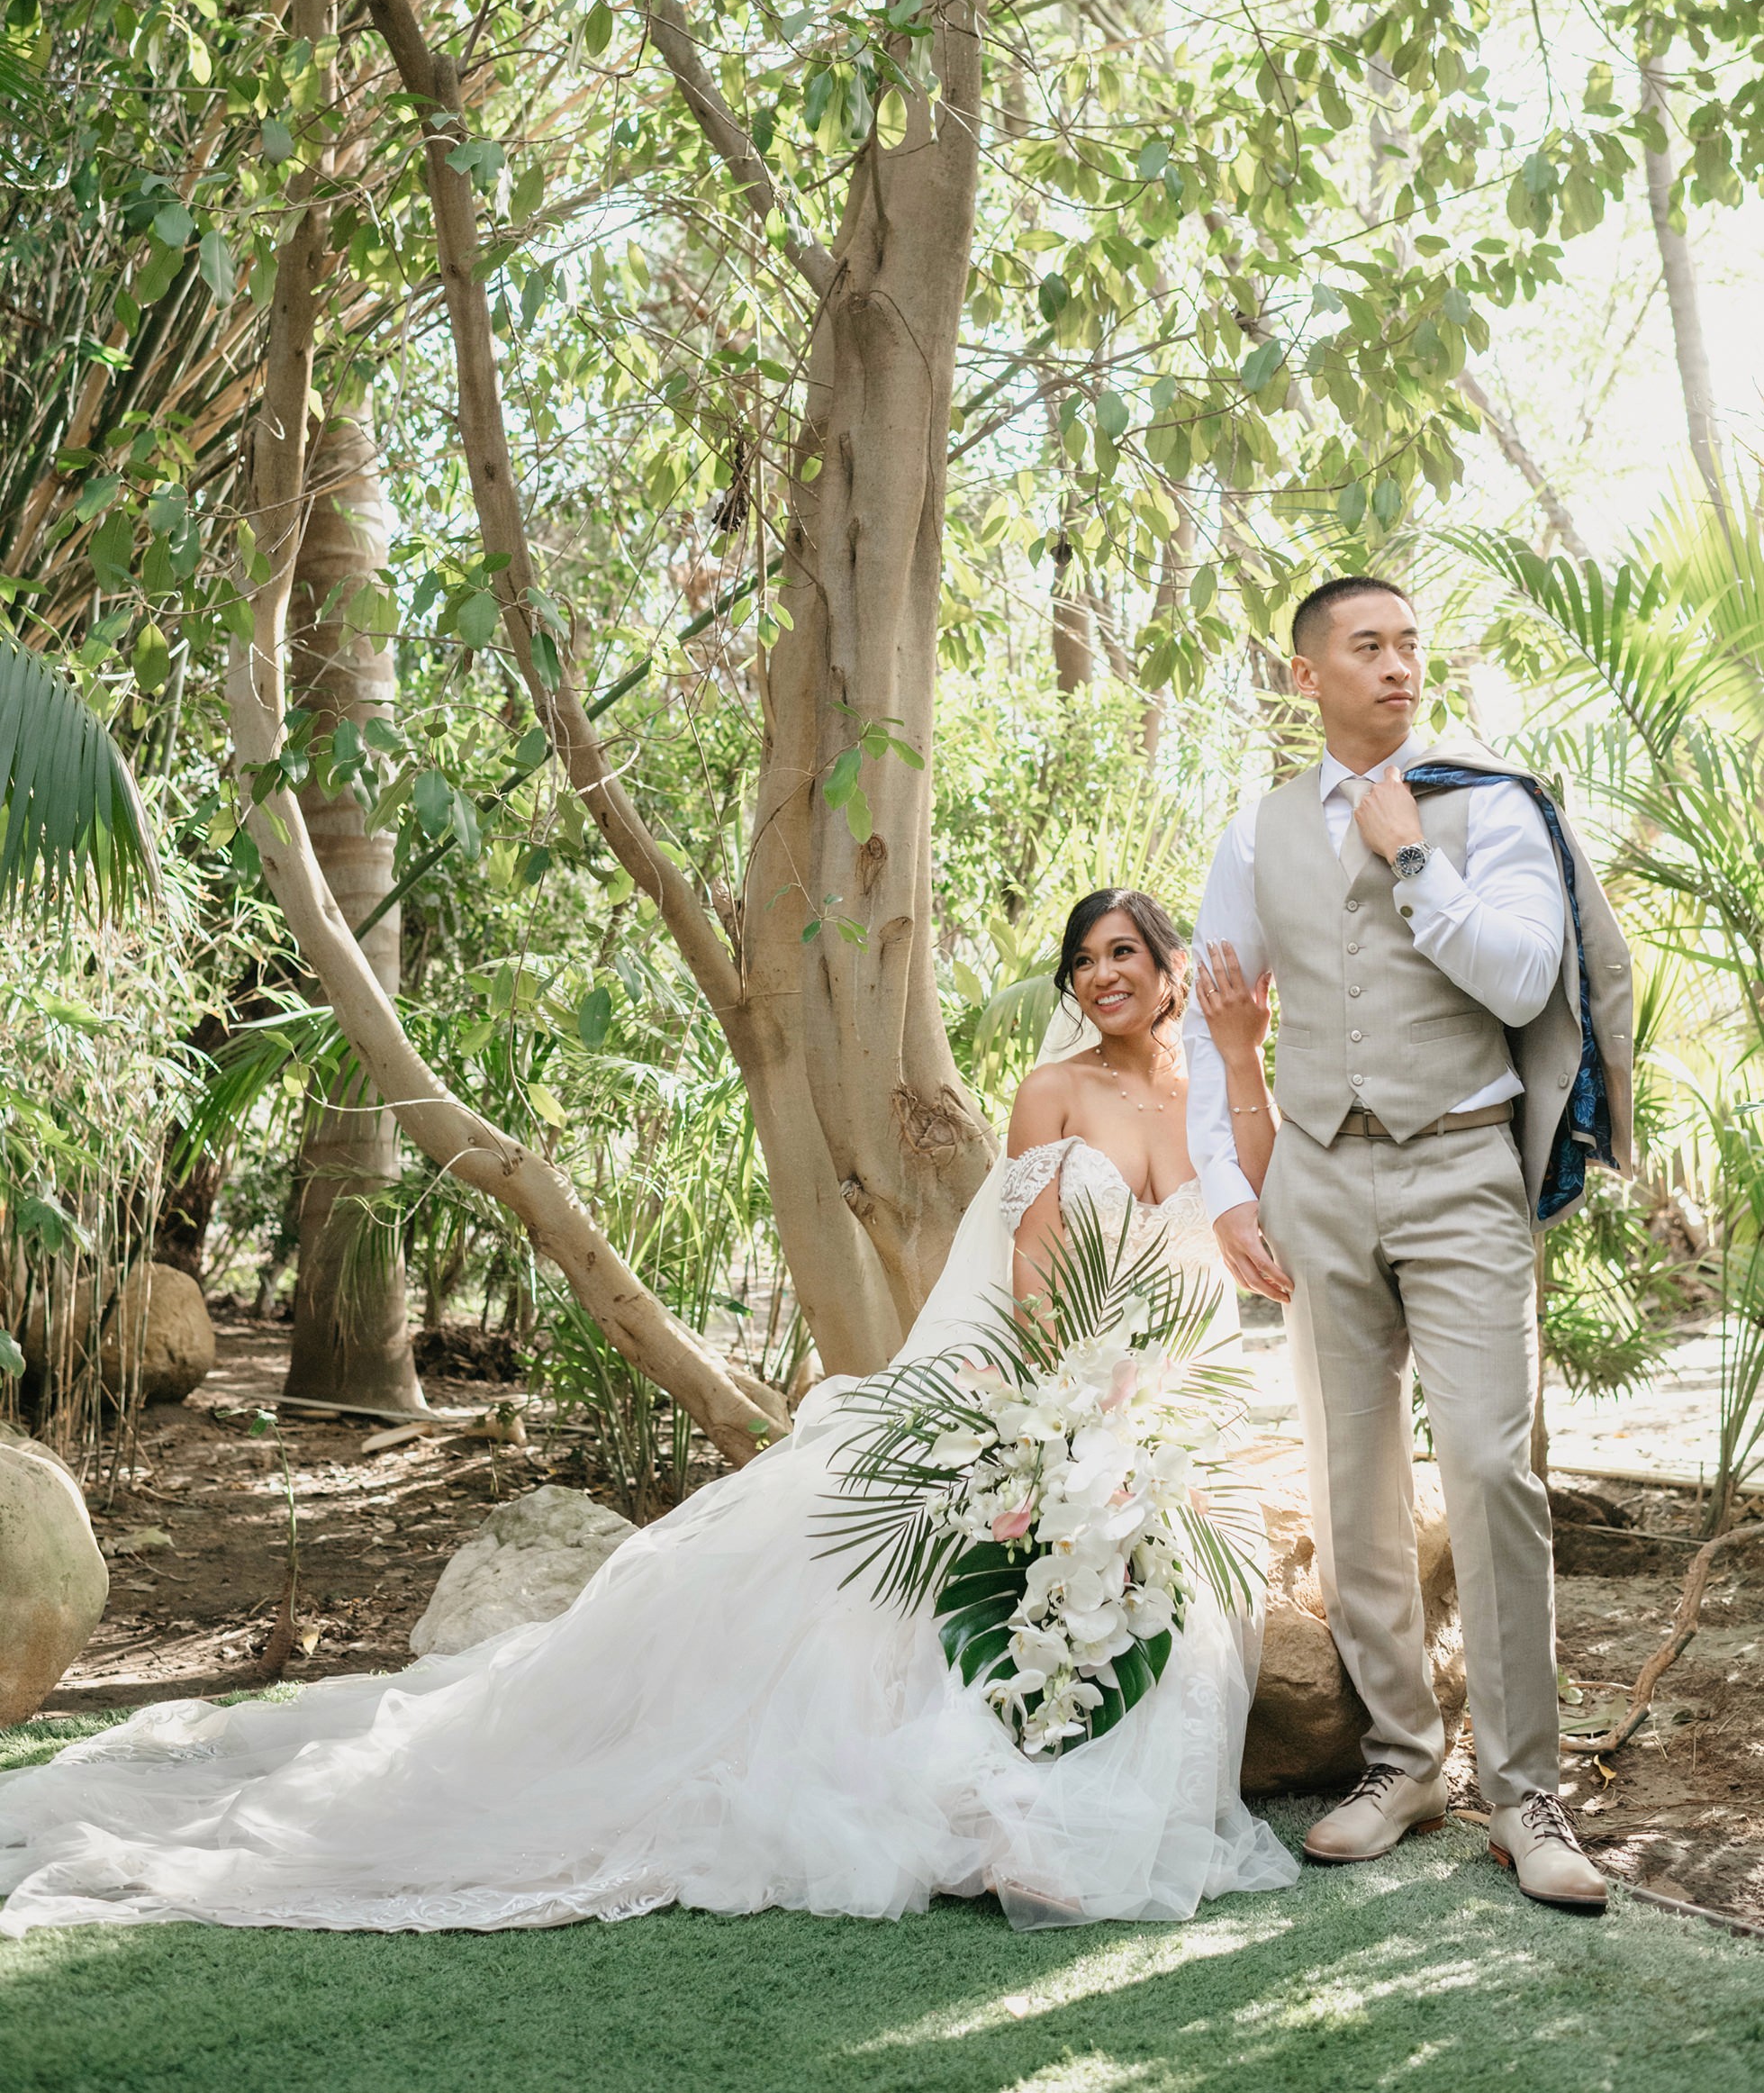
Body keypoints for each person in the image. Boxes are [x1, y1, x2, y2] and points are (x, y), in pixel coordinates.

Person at [0, 891, 1297, 1935]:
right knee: (951, 1561)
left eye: (1124, 952)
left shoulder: (1215, 1098)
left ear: (1173, 966)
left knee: (1130, 1587)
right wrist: (1057, 1400)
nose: (1099, 976)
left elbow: (1242, 1213)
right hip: (1034, 1372)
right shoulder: (1054, 1093)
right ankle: (983, 1803)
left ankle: (1052, 1801)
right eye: (1083, 961)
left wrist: (1233, 1065)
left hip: (1153, 1395)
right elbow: (1034, 1257)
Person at [1183, 575, 1633, 1915]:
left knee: (1493, 1468)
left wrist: (1410, 853)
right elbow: (1223, 1020)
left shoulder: (1489, 804)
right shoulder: (1255, 831)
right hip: (1318, 1173)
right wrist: (1227, 1186)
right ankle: (1399, 1761)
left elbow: (1520, 977)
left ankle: (1524, 1789)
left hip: (1459, 1169)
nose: (1397, 668)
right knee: (1351, 1477)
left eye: (1408, 646)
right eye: (1366, 648)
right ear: (1305, 674)